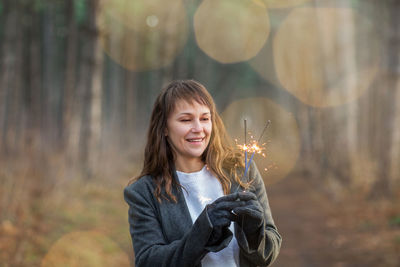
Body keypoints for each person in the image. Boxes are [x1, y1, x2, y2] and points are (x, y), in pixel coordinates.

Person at [124, 80, 281, 267]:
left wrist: (256, 235)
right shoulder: (144, 192)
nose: (198, 129)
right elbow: (148, 261)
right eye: (186, 120)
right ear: (164, 127)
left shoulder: (242, 171)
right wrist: (200, 235)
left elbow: (268, 254)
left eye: (205, 118)